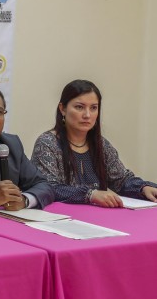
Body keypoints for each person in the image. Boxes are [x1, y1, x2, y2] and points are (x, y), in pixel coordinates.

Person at [31, 79, 157, 207]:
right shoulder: (47, 143)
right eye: (79, 107)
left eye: (93, 108)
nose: (87, 115)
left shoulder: (101, 144)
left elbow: (121, 180)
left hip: (98, 218)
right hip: (60, 219)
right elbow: (48, 188)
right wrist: (91, 195)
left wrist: (143, 188)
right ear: (62, 109)